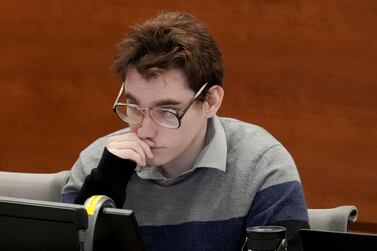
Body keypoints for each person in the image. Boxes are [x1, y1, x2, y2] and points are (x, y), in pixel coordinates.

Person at [62, 11, 309, 251]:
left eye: (167, 111)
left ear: (210, 101)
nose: (145, 130)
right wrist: (103, 188)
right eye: (135, 107)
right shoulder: (97, 165)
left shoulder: (262, 166)